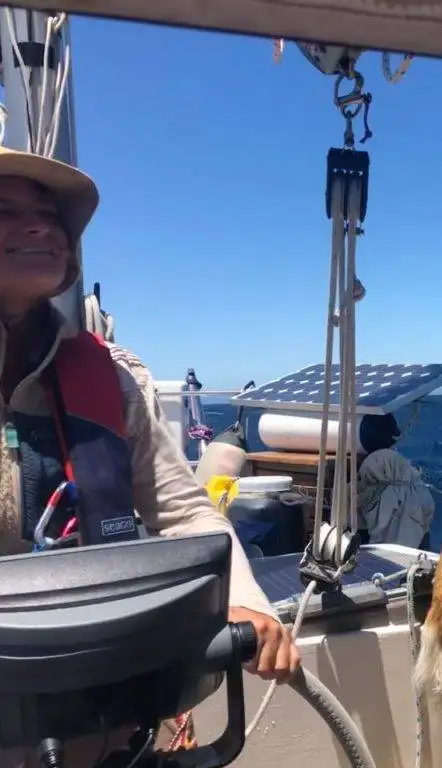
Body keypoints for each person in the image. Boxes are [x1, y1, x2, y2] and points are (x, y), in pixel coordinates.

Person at [0, 147, 299, 759]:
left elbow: (184, 512)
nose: (40, 228)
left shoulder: (111, 378)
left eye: (50, 216)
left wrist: (242, 600)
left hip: (96, 710)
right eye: (5, 211)